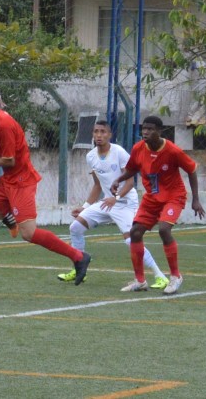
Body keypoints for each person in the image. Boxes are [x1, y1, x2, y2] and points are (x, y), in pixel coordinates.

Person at [0, 94, 91, 293]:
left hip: (21, 182)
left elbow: (10, 161)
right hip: (8, 181)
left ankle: (79, 257)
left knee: (28, 233)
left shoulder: (4, 125)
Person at [56, 120, 168, 289]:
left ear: (110, 135)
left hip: (125, 202)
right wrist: (85, 207)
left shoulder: (119, 152)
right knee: (75, 228)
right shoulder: (91, 156)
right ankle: (78, 268)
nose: (98, 135)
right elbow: (97, 185)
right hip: (107, 202)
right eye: (96, 131)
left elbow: (130, 182)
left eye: (103, 132)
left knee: (131, 240)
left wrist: (116, 197)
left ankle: (160, 276)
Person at [111, 115, 205, 295]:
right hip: (152, 198)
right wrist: (119, 179)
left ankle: (175, 277)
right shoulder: (138, 148)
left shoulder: (172, 151)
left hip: (174, 196)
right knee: (135, 232)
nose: (145, 132)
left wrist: (195, 199)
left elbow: (192, 170)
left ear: (160, 131)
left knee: (164, 229)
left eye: (150, 129)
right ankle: (140, 281)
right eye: (144, 128)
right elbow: (133, 168)